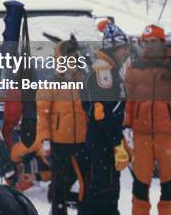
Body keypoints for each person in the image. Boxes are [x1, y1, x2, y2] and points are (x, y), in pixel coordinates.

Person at [124, 24, 171, 215]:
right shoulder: (135, 68)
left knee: (168, 186)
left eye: (153, 42)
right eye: (146, 42)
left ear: (162, 42)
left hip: (169, 136)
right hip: (141, 136)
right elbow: (130, 100)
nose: (149, 46)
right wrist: (126, 126)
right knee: (140, 186)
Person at [81, 22, 131, 215]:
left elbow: (92, 106)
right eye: (124, 49)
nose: (126, 53)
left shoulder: (103, 69)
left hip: (99, 141)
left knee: (99, 190)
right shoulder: (105, 72)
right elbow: (107, 115)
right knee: (104, 192)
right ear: (115, 49)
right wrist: (118, 144)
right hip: (104, 143)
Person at [37, 39, 90, 215]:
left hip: (82, 141)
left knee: (84, 180)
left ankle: (83, 210)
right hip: (59, 142)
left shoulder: (83, 82)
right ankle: (58, 210)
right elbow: (42, 115)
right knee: (60, 182)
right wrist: (45, 140)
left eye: (74, 59)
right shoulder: (51, 83)